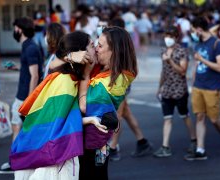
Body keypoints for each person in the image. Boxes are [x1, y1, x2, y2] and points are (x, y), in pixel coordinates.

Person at [11, 31, 90, 180]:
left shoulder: (65, 77)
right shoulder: (65, 81)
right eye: (92, 45)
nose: (96, 48)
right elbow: (65, 118)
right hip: (55, 154)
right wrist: (79, 66)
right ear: (82, 53)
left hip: (43, 150)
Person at [78, 26, 137, 180]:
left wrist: (85, 74)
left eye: (100, 45)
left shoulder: (114, 81)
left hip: (93, 143)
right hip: (97, 141)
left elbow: (84, 106)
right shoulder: (104, 69)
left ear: (114, 52)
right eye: (96, 44)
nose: (96, 49)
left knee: (94, 174)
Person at [0, 17, 43, 174]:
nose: (14, 31)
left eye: (15, 28)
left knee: (19, 128)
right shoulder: (28, 46)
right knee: (21, 129)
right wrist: (17, 68)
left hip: (24, 97)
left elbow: (34, 75)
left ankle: (15, 162)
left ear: (20, 29)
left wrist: (28, 101)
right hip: (23, 96)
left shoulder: (30, 48)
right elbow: (30, 70)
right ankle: (18, 161)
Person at [184, 17, 220, 161]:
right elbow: (196, 65)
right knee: (199, 117)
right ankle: (201, 150)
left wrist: (202, 60)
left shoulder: (217, 44)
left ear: (199, 29)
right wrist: (193, 82)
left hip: (213, 87)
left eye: (194, 30)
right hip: (198, 86)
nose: (192, 33)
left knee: (214, 119)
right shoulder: (199, 44)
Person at [107, 17, 152, 161]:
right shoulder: (125, 41)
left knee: (118, 116)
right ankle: (142, 141)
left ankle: (113, 148)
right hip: (123, 81)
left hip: (121, 83)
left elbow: (118, 65)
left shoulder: (121, 44)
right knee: (125, 113)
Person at [153, 26, 196, 158]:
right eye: (166, 36)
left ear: (176, 38)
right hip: (167, 90)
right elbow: (163, 71)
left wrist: (170, 60)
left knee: (185, 116)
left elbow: (183, 71)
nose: (168, 39)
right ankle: (165, 146)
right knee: (167, 118)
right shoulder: (163, 51)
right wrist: (159, 87)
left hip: (179, 90)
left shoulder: (182, 51)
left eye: (171, 37)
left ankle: (194, 140)